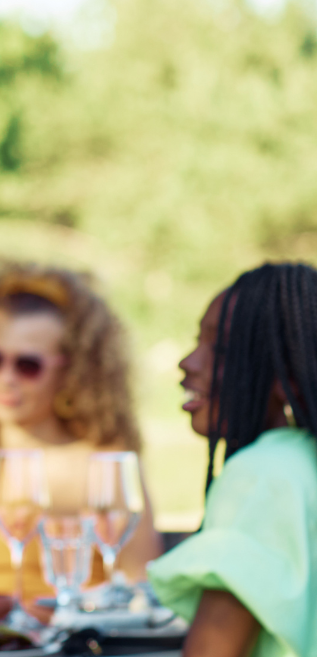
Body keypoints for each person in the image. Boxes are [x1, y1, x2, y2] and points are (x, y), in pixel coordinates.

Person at [0, 263, 162, 598]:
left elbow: (138, 591)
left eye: (27, 365)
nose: (5, 378)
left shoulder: (106, 465)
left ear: (72, 372)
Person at [150, 263, 317, 657]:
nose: (188, 362)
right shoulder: (303, 461)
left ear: (287, 376)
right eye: (198, 341)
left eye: (221, 350)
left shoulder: (262, 475)